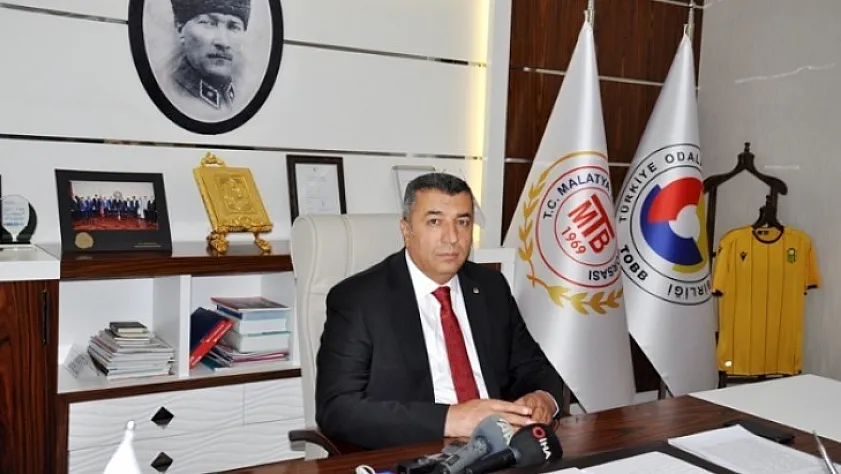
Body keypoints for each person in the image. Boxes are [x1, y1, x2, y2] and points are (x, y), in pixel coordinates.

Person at [315, 172, 565, 450]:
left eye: (463, 222)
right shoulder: (359, 299)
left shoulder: (490, 288)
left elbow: (535, 368)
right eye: (435, 222)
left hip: (500, 450)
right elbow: (337, 409)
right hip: (416, 453)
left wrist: (542, 398)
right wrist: (449, 419)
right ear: (406, 229)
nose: (452, 238)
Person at [164, 0, 250, 113]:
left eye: (233, 27)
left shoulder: (243, 95)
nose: (223, 42)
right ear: (180, 28)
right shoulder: (168, 91)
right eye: (209, 24)